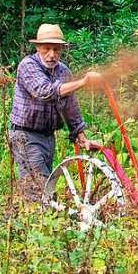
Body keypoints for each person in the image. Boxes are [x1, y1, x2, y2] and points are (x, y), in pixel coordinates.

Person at [9, 23, 102, 200]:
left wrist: (82, 137)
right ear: (38, 47)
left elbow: (70, 107)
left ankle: (41, 220)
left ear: (62, 49)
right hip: (25, 135)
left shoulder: (63, 71)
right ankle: (37, 222)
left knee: (46, 183)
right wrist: (83, 82)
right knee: (39, 189)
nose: (52, 55)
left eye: (56, 49)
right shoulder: (27, 66)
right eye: (47, 49)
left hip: (48, 137)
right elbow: (44, 91)